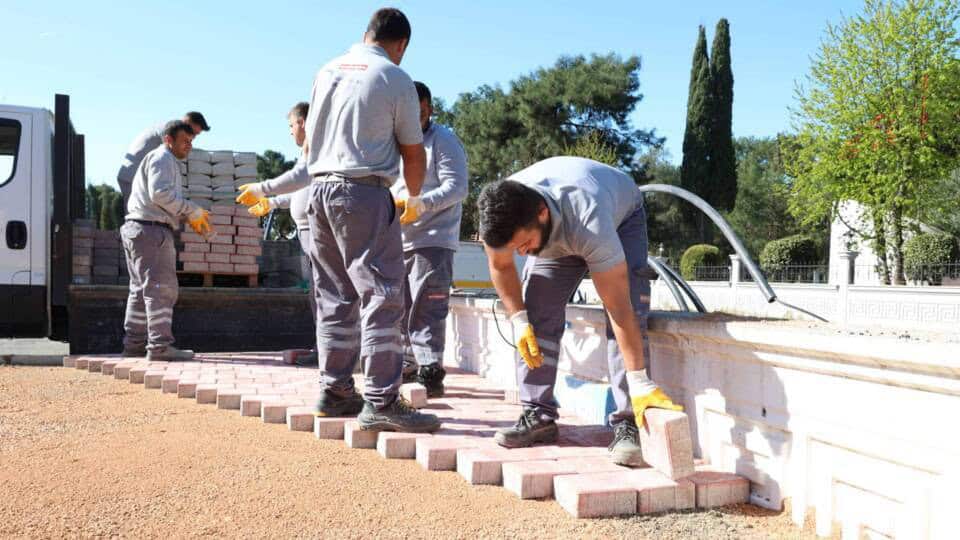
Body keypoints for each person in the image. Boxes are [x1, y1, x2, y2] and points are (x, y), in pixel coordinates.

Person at [237, 8, 440, 433]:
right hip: (362, 192)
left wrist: (270, 188)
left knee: (334, 297)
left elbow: (310, 152)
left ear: (366, 34)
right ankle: (382, 400)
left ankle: (336, 391)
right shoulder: (394, 77)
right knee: (383, 294)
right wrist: (414, 198)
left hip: (319, 193)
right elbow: (413, 152)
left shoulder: (327, 70)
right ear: (401, 45)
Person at [477, 156, 683, 466]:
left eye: (525, 244)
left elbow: (618, 308)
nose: (522, 254)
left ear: (542, 215)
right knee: (536, 313)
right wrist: (519, 320)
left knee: (627, 307)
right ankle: (539, 414)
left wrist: (639, 380)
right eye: (516, 248)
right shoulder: (500, 217)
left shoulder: (591, 221)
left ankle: (629, 419)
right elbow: (501, 265)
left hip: (619, 216)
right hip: (560, 226)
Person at [391, 81, 468, 397]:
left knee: (428, 307)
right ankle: (410, 364)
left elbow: (457, 187)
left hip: (433, 239)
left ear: (429, 109)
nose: (415, 117)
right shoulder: (395, 144)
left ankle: (431, 371)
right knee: (402, 308)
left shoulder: (443, 141)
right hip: (398, 239)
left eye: (420, 111)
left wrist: (421, 202)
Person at [121, 120, 212, 361]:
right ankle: (160, 347)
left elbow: (159, 197)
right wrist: (190, 209)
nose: (189, 146)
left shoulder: (160, 158)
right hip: (151, 231)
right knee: (161, 289)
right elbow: (160, 194)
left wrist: (182, 214)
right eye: (184, 141)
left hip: (139, 229)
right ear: (168, 140)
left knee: (140, 291)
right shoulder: (163, 158)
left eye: (191, 142)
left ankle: (133, 345)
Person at [242, 102, 318, 367]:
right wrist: (273, 203)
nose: (290, 132)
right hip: (308, 233)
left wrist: (264, 189)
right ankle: (325, 348)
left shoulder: (317, 148)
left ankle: (331, 352)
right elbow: (301, 190)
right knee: (317, 294)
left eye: (291, 125)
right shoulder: (308, 151)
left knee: (325, 294)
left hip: (318, 232)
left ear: (304, 123)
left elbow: (301, 178)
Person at [117, 112, 210, 207]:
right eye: (193, 132)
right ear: (186, 122)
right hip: (133, 176)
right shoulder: (169, 131)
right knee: (139, 214)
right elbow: (175, 157)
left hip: (133, 175)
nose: (193, 137)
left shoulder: (169, 131)